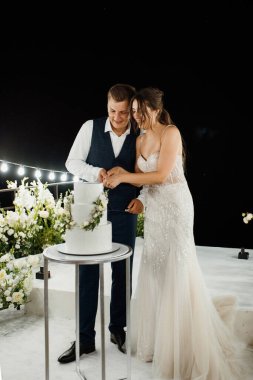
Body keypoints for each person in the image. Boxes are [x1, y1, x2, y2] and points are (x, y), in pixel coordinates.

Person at [104, 87, 253, 379]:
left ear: (156, 109)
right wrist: (141, 201)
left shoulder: (170, 133)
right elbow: (147, 185)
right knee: (155, 269)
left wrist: (123, 175)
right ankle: (159, 343)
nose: (135, 117)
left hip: (177, 208)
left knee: (177, 270)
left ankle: (183, 344)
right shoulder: (140, 140)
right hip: (156, 212)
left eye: (139, 110)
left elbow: (160, 175)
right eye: (132, 111)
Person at [58, 83, 143, 364]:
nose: (117, 118)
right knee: (88, 275)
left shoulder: (141, 134)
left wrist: (145, 201)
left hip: (124, 212)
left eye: (122, 113)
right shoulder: (89, 128)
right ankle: (84, 340)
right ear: (106, 106)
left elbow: (151, 175)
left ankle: (117, 330)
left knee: (123, 274)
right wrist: (95, 172)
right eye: (112, 111)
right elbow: (72, 162)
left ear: (131, 109)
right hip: (90, 214)